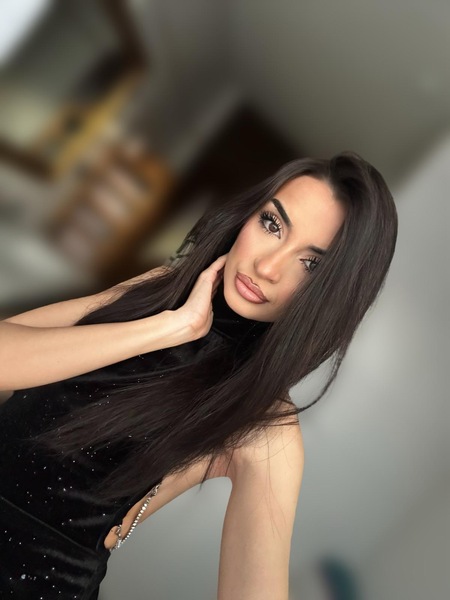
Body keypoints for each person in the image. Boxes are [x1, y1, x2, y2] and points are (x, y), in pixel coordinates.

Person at [0, 151, 398, 599]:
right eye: (272, 224)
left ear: (333, 295)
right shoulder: (159, 292)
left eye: (311, 265)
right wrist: (171, 327)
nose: (267, 267)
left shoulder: (267, 427)